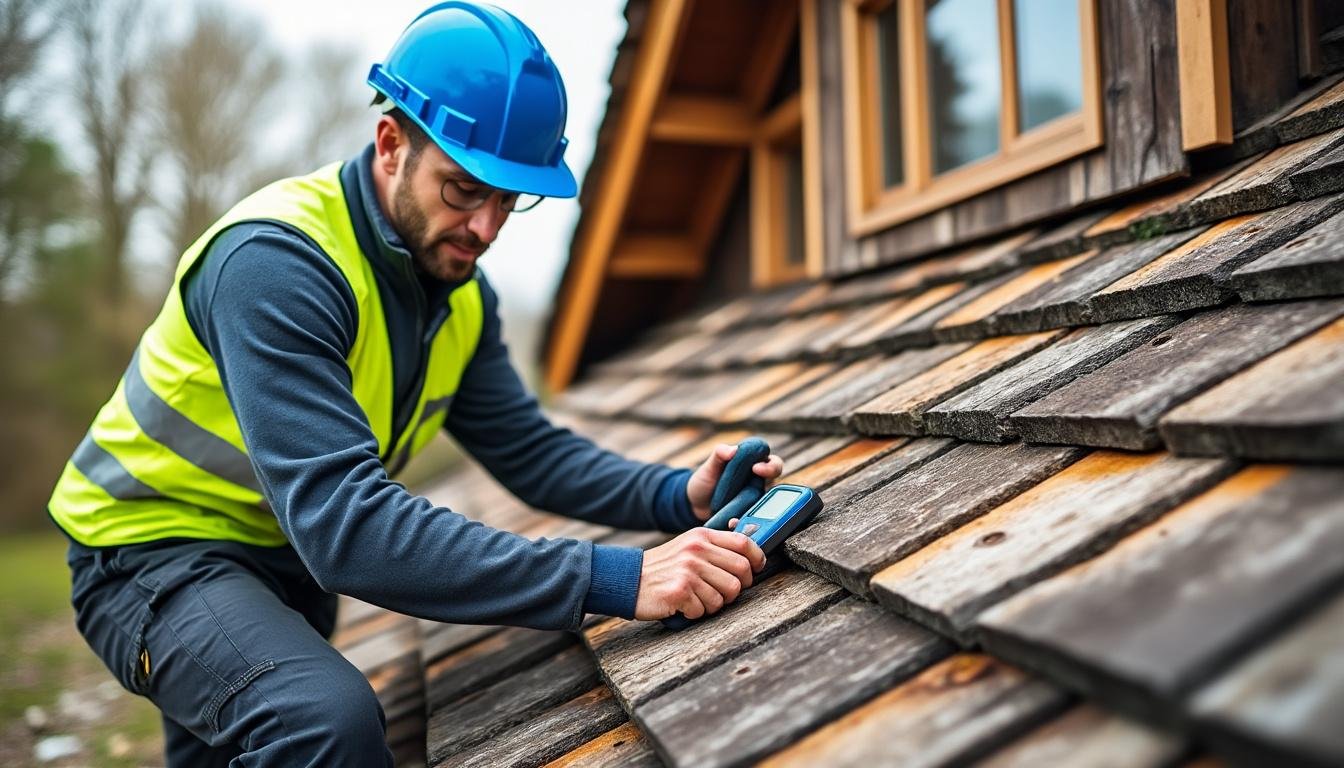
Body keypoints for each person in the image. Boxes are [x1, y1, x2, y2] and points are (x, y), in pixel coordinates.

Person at [45, 3, 781, 765]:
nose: (486, 229)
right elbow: (347, 529)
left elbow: (527, 450)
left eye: (509, 200)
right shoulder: (276, 266)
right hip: (146, 553)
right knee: (317, 721)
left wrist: (674, 497)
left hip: (274, 565)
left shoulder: (458, 290)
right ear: (391, 144)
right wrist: (619, 576)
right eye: (464, 189)